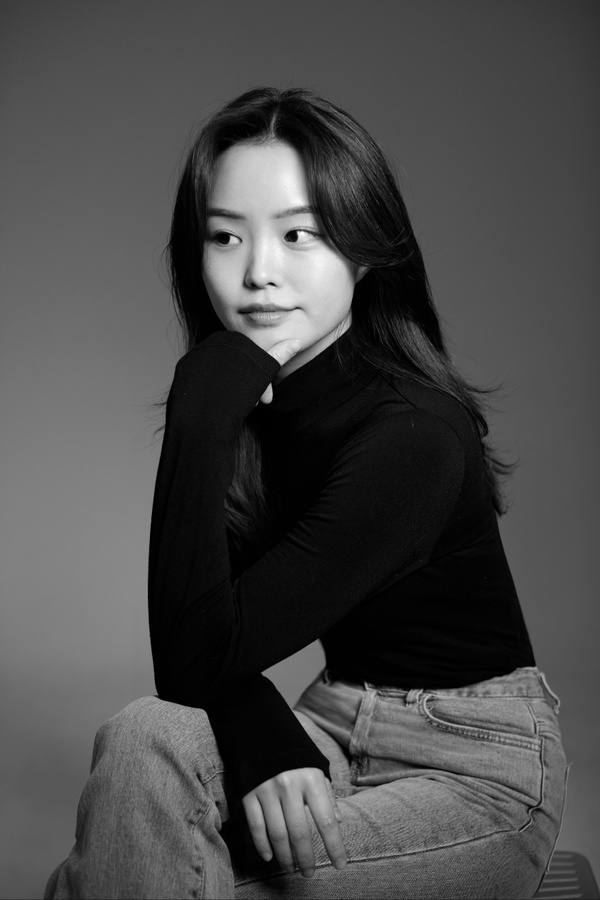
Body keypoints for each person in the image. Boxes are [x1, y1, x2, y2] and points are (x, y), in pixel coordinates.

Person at [45, 87, 567, 900]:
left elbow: (195, 657)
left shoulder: (414, 435)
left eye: (299, 234)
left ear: (362, 249)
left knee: (137, 873)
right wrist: (266, 735)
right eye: (226, 236)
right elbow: (194, 647)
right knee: (144, 734)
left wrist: (198, 417)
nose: (258, 273)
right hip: (328, 722)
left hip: (476, 769)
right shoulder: (245, 406)